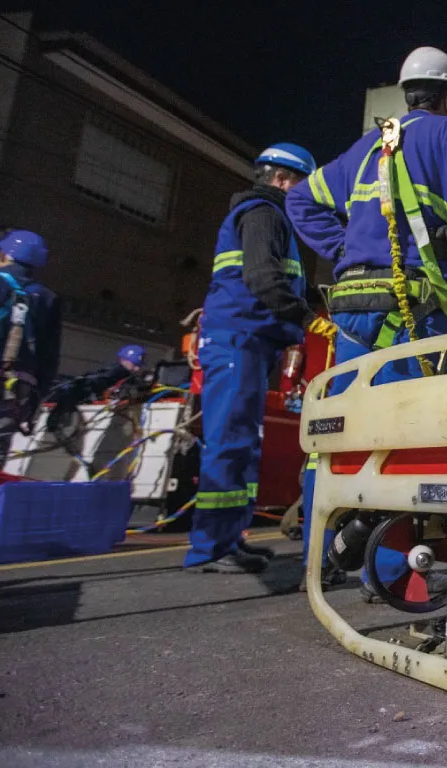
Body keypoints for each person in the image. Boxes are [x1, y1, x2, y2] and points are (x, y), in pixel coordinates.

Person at [286, 46, 447, 598]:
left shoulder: (365, 149)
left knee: (342, 435)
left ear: (407, 94)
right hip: (412, 309)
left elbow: (301, 201)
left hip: (355, 312)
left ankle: (327, 554)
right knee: (411, 436)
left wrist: (350, 251)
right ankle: (393, 572)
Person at [185, 142, 318, 574]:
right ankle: (208, 548)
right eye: (302, 185)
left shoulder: (268, 215)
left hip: (251, 342)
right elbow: (263, 278)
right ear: (282, 179)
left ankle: (229, 539)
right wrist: (307, 319)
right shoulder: (263, 213)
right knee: (228, 442)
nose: (305, 195)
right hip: (237, 340)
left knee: (243, 443)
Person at [0, 229, 61, 469]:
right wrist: (37, 397)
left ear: (3, 254)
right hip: (15, 386)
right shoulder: (47, 298)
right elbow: (49, 356)